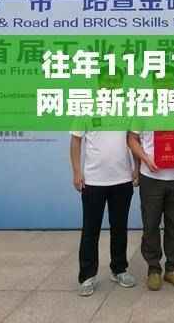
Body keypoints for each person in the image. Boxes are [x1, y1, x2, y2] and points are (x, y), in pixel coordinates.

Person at [127, 66, 174, 291]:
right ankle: (153, 269)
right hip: (151, 177)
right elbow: (132, 139)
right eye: (160, 81)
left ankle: (172, 268)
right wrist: (145, 159)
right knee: (150, 224)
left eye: (169, 81)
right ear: (153, 83)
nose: (165, 85)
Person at [70, 66, 138, 297]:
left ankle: (119, 269)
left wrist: (136, 168)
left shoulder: (127, 107)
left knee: (120, 227)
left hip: (122, 179)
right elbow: (76, 141)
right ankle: (87, 276)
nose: (111, 85)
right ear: (99, 82)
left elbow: (132, 140)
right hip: (93, 181)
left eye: (115, 81)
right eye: (107, 81)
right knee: (91, 229)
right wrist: (77, 172)